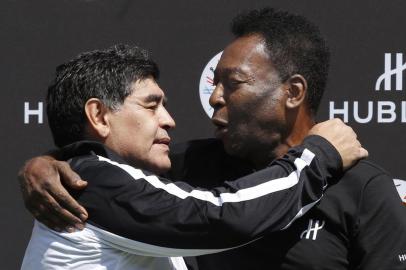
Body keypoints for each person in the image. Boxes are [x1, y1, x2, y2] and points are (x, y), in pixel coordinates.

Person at [20, 7, 405, 270]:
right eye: (151, 106)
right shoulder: (168, 173)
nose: (215, 98)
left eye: (232, 84)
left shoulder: (364, 188)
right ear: (99, 116)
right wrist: (49, 163)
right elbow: (223, 216)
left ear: (293, 92)